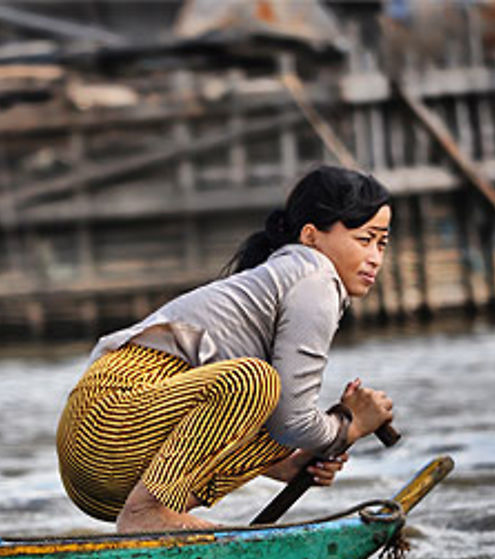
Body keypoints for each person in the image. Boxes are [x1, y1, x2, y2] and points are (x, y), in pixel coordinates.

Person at [56, 165, 395, 533]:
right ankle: (146, 512)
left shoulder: (284, 280)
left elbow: (269, 426)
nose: (376, 257)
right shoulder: (314, 276)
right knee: (257, 381)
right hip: (103, 426)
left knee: (270, 410)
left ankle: (151, 509)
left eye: (382, 244)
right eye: (365, 240)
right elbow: (293, 421)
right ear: (311, 236)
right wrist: (349, 425)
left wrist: (285, 464)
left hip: (104, 482)